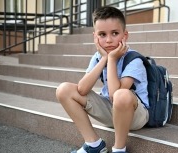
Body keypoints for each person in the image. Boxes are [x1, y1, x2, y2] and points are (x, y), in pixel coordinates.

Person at [56, 6, 149, 153]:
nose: (109, 40)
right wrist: (104, 59)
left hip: (136, 116)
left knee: (121, 94)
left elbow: (115, 95)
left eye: (114, 33)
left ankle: (119, 149)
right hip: (112, 111)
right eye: (102, 34)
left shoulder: (134, 60)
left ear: (125, 36)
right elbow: (82, 89)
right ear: (95, 37)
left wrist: (111, 59)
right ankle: (94, 145)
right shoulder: (98, 57)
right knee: (64, 90)